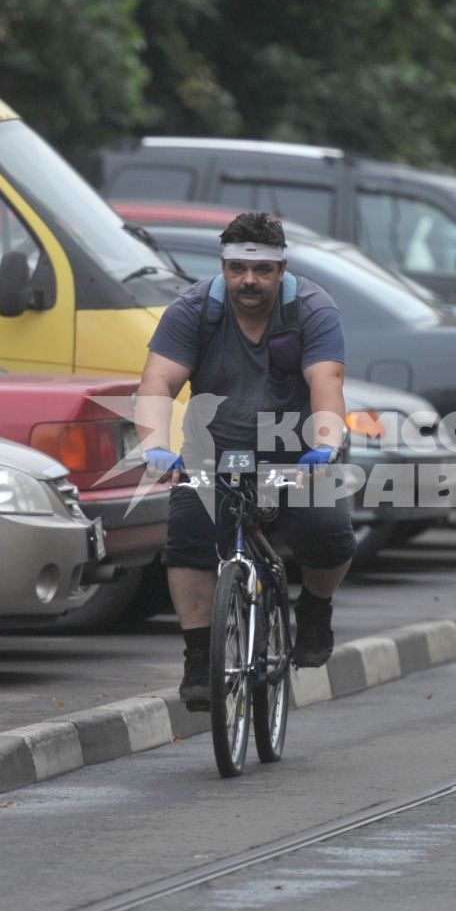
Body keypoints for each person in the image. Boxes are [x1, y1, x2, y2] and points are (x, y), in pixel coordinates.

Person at [133, 211, 354, 710]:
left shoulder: (311, 309)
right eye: (236, 269)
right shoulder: (194, 309)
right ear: (223, 266)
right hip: (215, 450)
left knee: (327, 529)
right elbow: (158, 381)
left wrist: (323, 444)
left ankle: (316, 608)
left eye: (261, 271)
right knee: (188, 531)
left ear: (281, 270)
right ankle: (198, 658)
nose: (248, 281)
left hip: (298, 453)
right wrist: (154, 445)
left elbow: (327, 382)